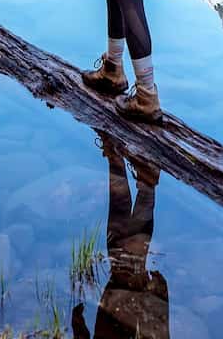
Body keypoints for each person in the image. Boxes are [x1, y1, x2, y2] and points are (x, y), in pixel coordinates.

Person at [71, 134, 170, 339]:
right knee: (126, 261)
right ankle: (124, 162)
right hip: (127, 299)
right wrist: (161, 296)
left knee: (125, 259)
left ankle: (122, 160)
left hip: (124, 300)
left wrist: (79, 327)